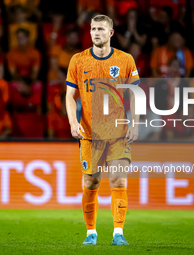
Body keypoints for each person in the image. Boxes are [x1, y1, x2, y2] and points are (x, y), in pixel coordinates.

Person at [65, 14, 140, 245]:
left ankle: (118, 233)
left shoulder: (125, 59)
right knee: (91, 183)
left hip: (118, 132)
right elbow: (69, 96)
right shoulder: (78, 60)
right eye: (92, 29)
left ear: (110, 33)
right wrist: (72, 121)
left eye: (100, 29)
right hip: (90, 133)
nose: (96, 33)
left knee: (118, 180)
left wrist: (135, 122)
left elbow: (135, 93)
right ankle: (91, 233)